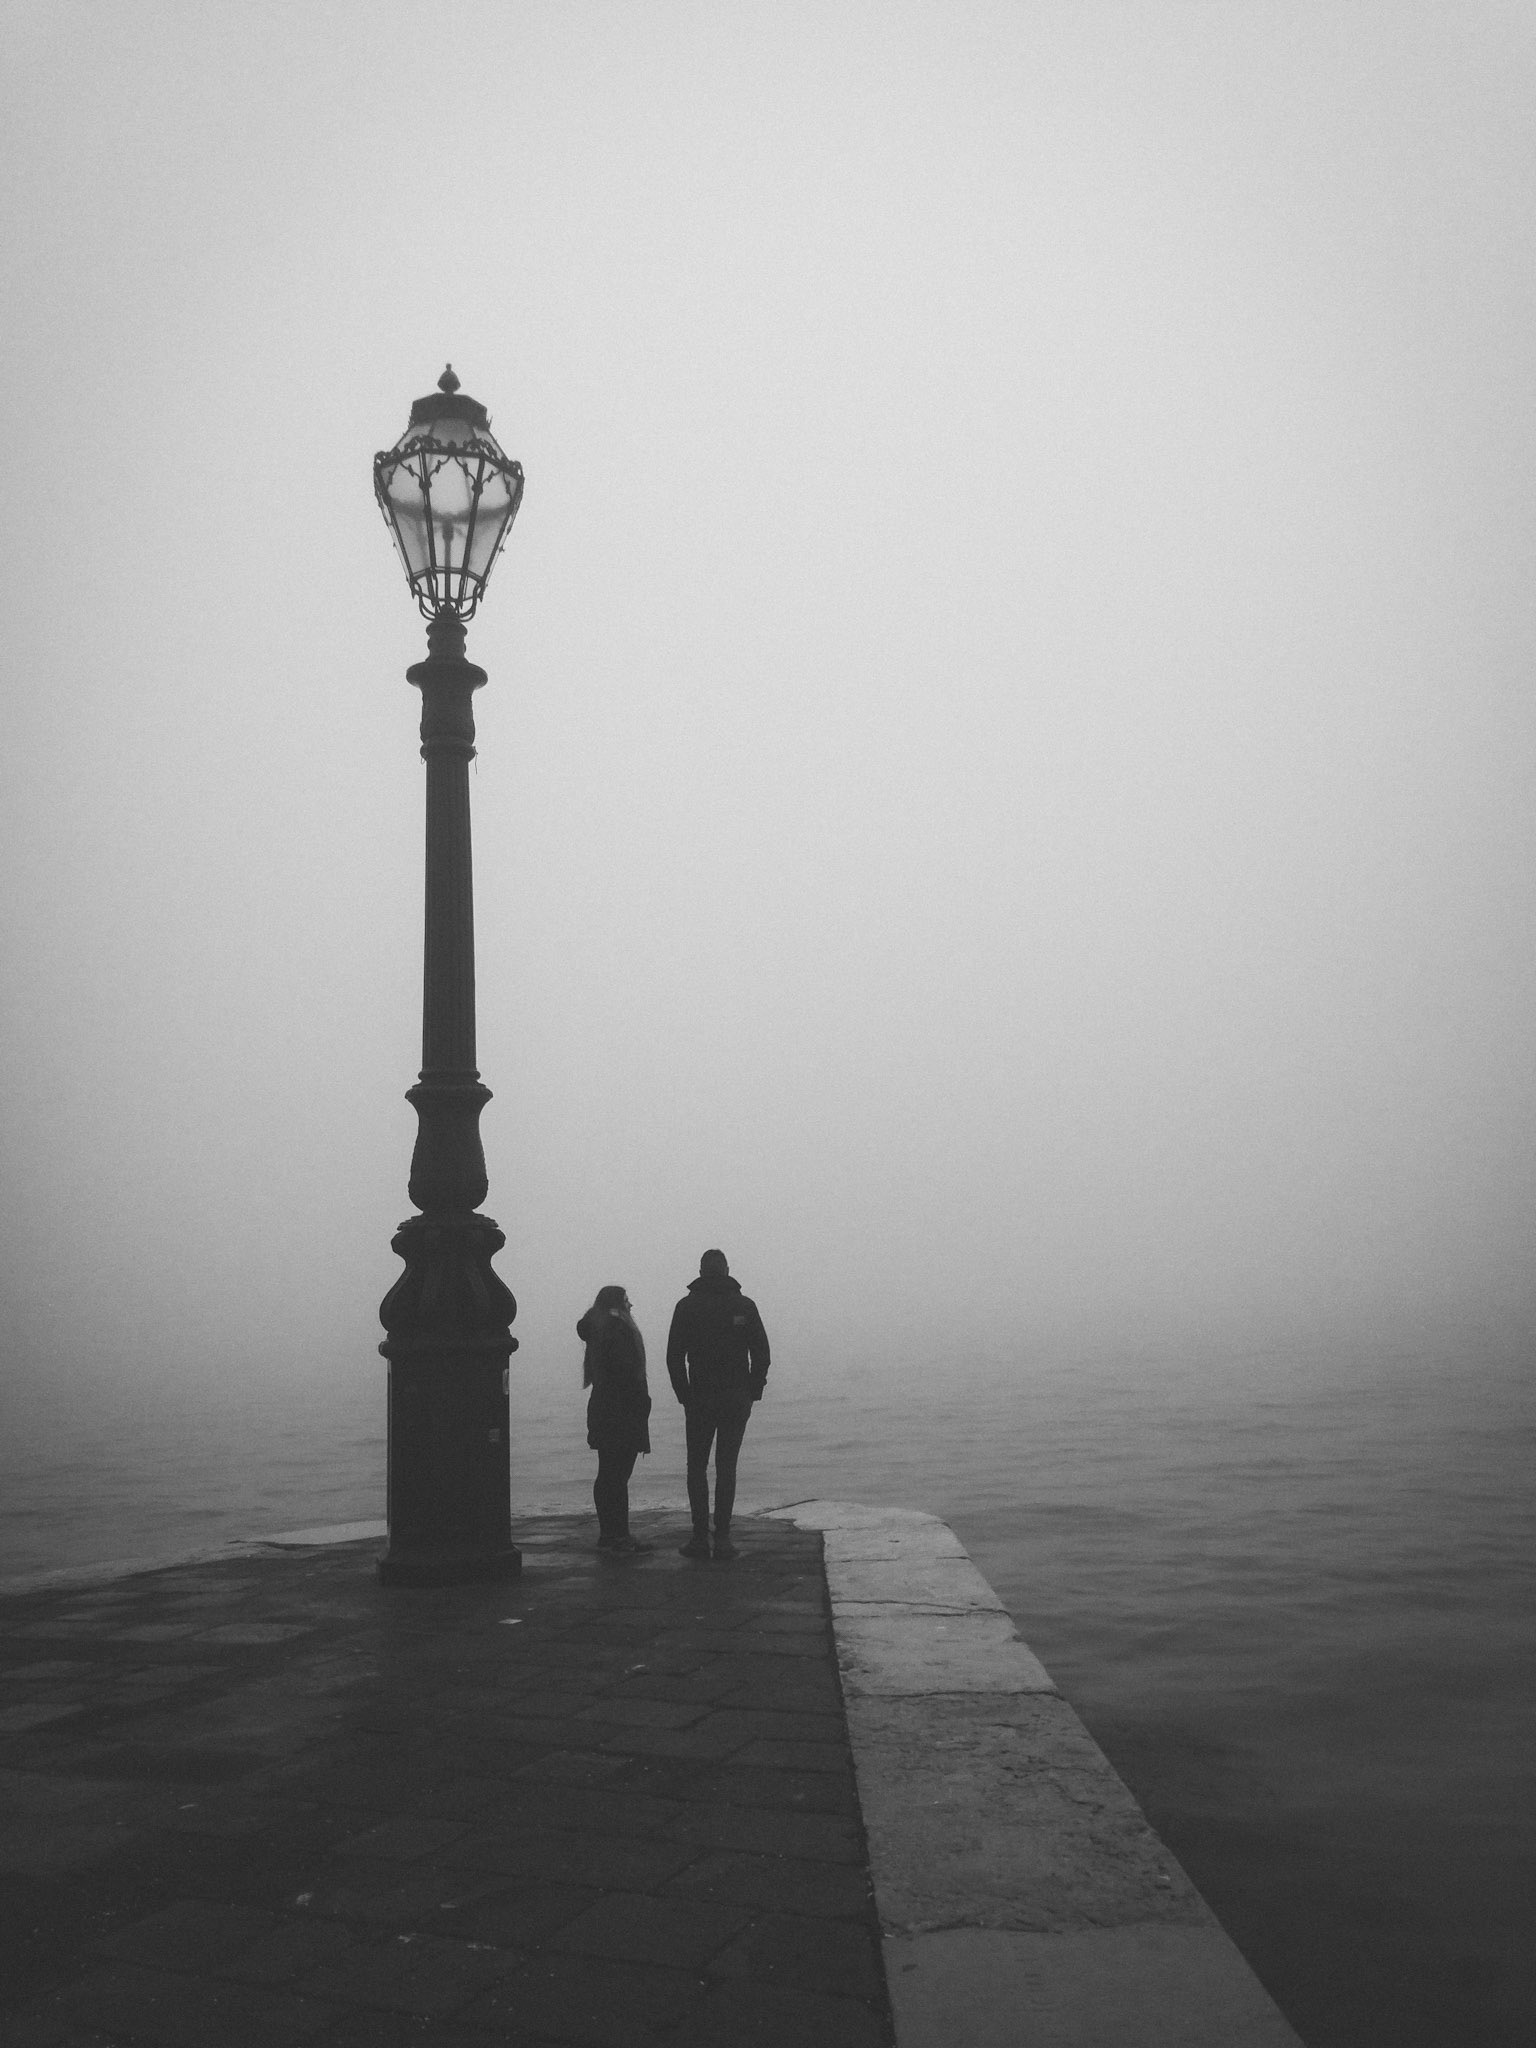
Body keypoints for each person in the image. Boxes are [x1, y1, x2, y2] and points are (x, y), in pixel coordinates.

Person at [666, 1249, 770, 1560]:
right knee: (727, 1467)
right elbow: (761, 1353)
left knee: (696, 1467)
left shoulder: (686, 1307)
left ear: (700, 1271)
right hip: (735, 1397)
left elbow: (674, 1357)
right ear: (726, 1270)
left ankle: (700, 1536)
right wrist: (753, 1389)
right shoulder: (744, 1305)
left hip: (699, 1397)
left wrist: (684, 1394)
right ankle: (722, 1537)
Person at [576, 1285, 653, 1554]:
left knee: (608, 1473)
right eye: (627, 1300)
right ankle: (618, 1536)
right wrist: (642, 1403)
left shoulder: (598, 1328)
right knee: (618, 1475)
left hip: (604, 1407)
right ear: (618, 1304)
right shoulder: (618, 1330)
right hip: (622, 1410)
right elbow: (626, 1372)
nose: (631, 1305)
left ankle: (610, 1534)